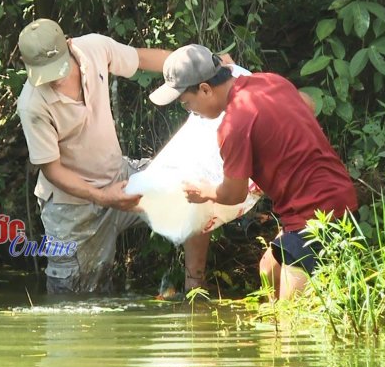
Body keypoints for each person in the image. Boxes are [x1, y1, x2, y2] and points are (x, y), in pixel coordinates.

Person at [15, 19, 216, 294]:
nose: (55, 78)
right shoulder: (32, 104)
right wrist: (101, 196)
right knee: (73, 299)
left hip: (118, 175)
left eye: (59, 68)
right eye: (46, 73)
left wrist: (207, 65)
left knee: (192, 188)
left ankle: (195, 289)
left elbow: (142, 58)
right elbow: (52, 169)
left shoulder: (93, 49)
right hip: (72, 208)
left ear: (69, 45)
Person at [149, 44, 358, 300]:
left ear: (205, 89)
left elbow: (234, 195)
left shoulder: (233, 126)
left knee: (291, 316)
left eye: (187, 104)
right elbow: (308, 103)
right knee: (268, 270)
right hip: (335, 194)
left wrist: (203, 192)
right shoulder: (270, 81)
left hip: (315, 212)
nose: (192, 112)